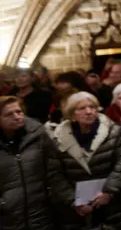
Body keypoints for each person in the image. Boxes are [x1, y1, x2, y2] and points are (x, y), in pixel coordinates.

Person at [48, 91, 121, 230]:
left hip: (111, 204)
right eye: (82, 108)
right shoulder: (57, 138)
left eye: (92, 107)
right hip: (76, 208)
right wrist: (73, 200)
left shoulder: (114, 132)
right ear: (72, 115)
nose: (89, 112)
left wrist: (109, 191)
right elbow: (54, 173)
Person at [0, 96, 69, 230]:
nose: (17, 116)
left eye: (19, 112)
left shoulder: (37, 135)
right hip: (7, 217)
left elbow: (53, 169)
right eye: (9, 114)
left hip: (41, 212)